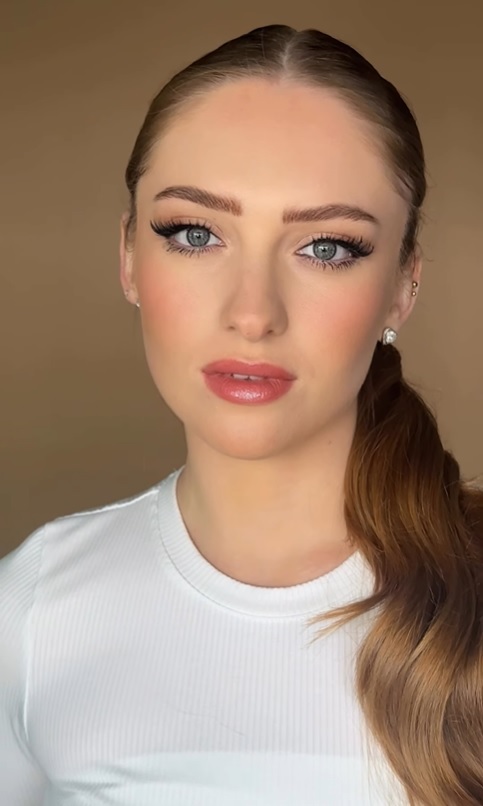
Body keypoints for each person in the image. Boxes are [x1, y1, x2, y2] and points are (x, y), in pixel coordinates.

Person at [1, 23, 482, 806]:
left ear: (403, 285)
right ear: (129, 257)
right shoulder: (33, 609)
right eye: (195, 234)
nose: (252, 314)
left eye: (325, 247)